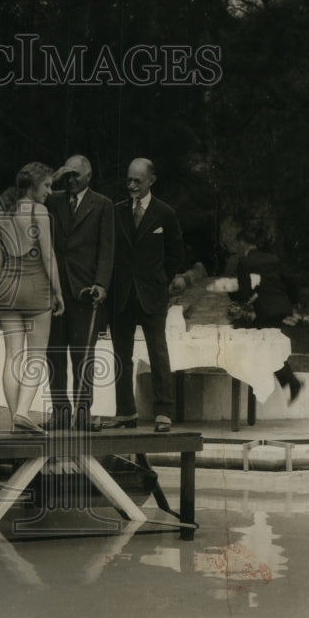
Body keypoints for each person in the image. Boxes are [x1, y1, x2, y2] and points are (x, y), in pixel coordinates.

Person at [107, 158, 184, 432]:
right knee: (121, 355)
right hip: (122, 295)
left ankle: (163, 412)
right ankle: (125, 411)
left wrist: (161, 280)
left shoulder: (165, 213)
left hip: (152, 295)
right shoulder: (115, 211)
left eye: (137, 181)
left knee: (158, 352)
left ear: (151, 180)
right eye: (128, 180)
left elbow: (176, 253)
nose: (131, 186)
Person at [0, 163, 65, 434]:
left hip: (7, 289)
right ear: (32, 186)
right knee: (35, 356)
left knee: (13, 356)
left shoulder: (1, 214)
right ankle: (23, 412)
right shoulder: (39, 212)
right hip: (36, 290)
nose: (50, 190)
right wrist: (58, 292)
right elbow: (47, 256)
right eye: (46, 185)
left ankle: (15, 419)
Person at [43, 154, 114, 431]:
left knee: (84, 355)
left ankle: (83, 413)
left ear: (89, 176)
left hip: (86, 292)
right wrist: (55, 174)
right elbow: (21, 194)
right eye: (68, 175)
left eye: (76, 175)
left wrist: (101, 284)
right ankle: (60, 412)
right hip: (55, 290)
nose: (71, 180)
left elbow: (107, 250)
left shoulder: (103, 204)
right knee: (54, 353)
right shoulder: (53, 199)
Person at [230, 225, 302, 404]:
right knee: (264, 344)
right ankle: (288, 382)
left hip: (267, 309)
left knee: (257, 343)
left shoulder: (245, 262)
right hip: (280, 306)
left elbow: (245, 292)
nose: (237, 249)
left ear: (243, 243)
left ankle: (288, 382)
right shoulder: (272, 258)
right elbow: (291, 280)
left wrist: (231, 294)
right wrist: (291, 301)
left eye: (237, 245)